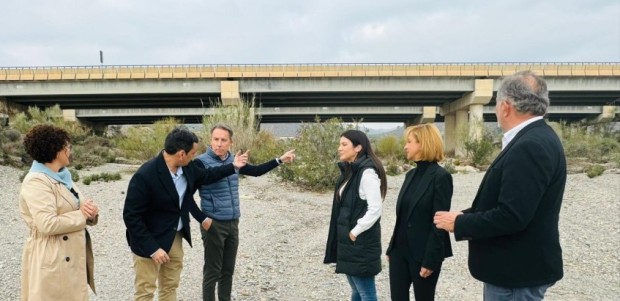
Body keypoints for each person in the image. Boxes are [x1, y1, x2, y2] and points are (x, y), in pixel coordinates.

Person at [434, 71, 567, 301]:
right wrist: (464, 214)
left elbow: (512, 216)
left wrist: (460, 223)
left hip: (515, 275)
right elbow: (513, 204)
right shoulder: (538, 137)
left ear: (505, 106)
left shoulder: (529, 145)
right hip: (520, 271)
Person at [123, 127, 248, 301]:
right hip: (148, 239)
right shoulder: (145, 175)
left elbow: (208, 175)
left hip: (174, 236)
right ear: (181, 154)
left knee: (170, 287)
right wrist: (152, 249)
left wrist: (233, 166)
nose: (194, 157)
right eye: (192, 153)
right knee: (145, 291)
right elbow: (131, 216)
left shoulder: (187, 169)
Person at [196, 123, 295, 301]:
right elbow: (199, 185)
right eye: (215, 139)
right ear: (210, 141)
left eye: (223, 140)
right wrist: (203, 219)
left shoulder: (234, 160)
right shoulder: (200, 162)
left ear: (230, 143)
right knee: (212, 271)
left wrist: (279, 160)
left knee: (227, 270)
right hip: (213, 223)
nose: (219, 144)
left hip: (233, 223)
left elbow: (256, 171)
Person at [19, 124, 99, 301]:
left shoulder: (62, 176)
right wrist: (82, 215)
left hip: (69, 256)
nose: (69, 151)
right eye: (67, 147)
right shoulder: (36, 182)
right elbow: (46, 223)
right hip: (52, 258)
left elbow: (79, 206)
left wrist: (91, 213)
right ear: (56, 151)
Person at [386, 123, 453, 301]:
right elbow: (403, 216)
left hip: (423, 254)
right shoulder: (410, 175)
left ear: (423, 143)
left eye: (409, 142)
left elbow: (439, 222)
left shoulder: (441, 177)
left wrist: (430, 260)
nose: (405, 146)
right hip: (399, 253)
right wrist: (392, 248)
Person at [324, 129, 387, 301]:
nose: (339, 148)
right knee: (356, 290)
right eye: (340, 144)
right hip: (350, 244)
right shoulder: (351, 171)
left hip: (360, 243)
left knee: (366, 292)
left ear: (358, 147)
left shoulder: (367, 173)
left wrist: (354, 232)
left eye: (344, 144)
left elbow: (375, 209)